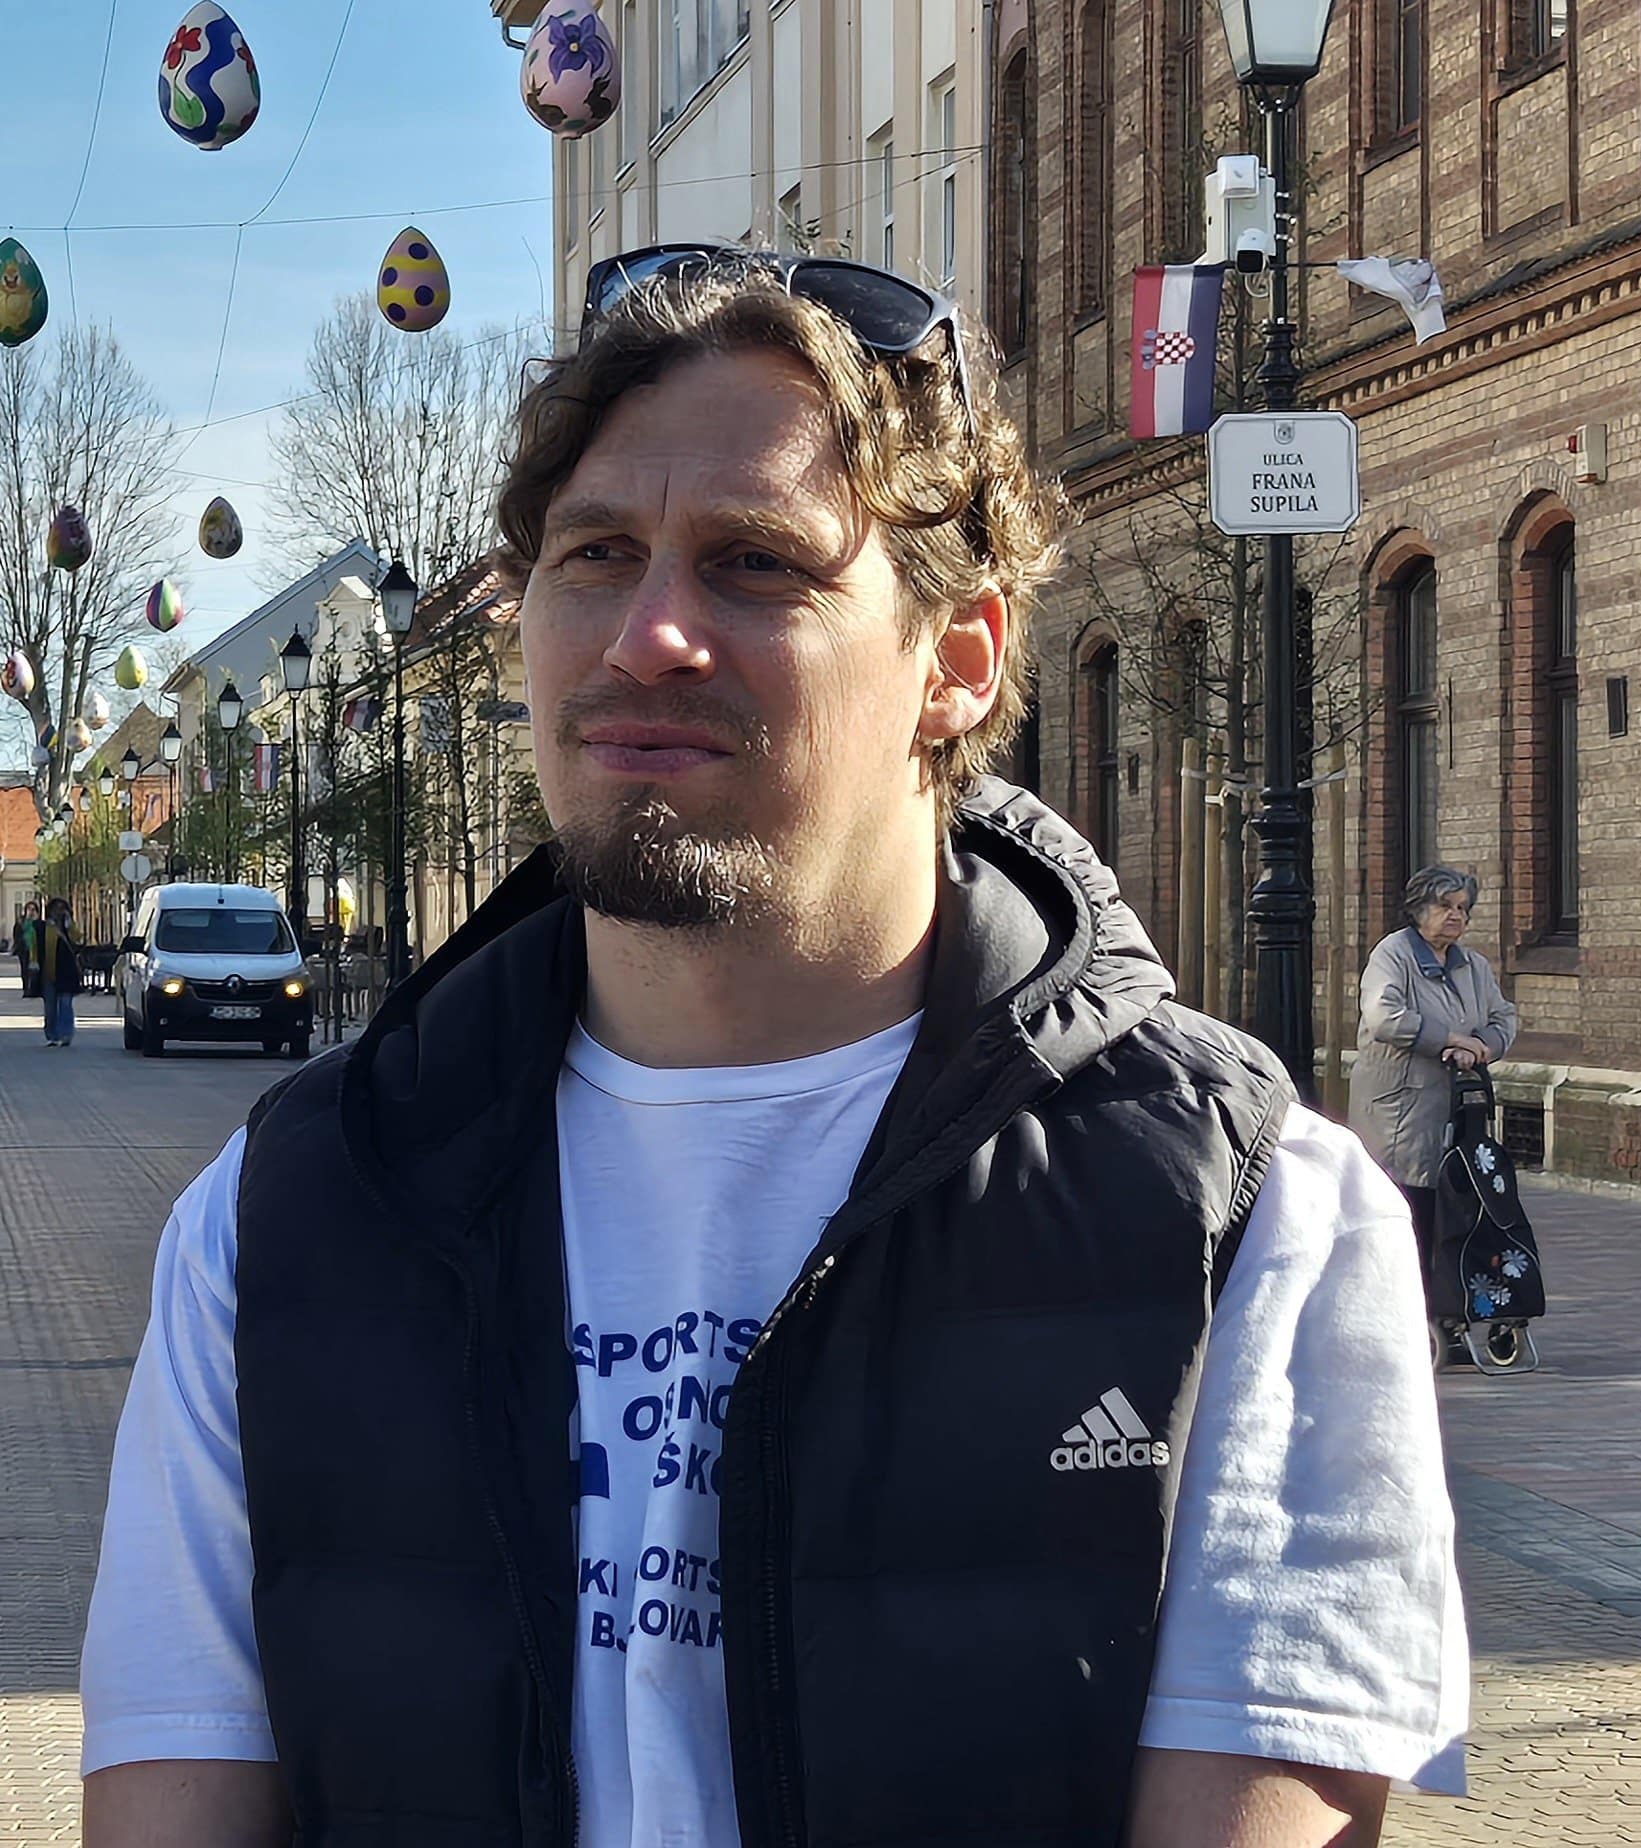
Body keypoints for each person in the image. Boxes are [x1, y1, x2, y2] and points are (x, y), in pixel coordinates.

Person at [81, 250, 1467, 1848]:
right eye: (594, 556)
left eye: (755, 563)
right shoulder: (288, 1220)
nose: (648, 634)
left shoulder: (1247, 1220)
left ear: (955, 663)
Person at [1348, 864, 1519, 1284]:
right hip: (1400, 1111)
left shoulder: (1473, 965)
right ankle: (1401, 1297)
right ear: (1418, 908)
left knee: (1454, 1204)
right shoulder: (1393, 955)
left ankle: (1444, 1297)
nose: (1456, 915)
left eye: (1462, 908)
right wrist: (1449, 1039)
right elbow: (1384, 1016)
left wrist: (1481, 1046)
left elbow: (1503, 1016)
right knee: (1407, 1207)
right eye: (1445, 906)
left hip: (1456, 1109)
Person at [39, 896, 80, 1048]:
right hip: (49, 971)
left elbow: (77, 939)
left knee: (65, 1004)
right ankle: (52, 1035)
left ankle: (66, 1034)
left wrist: (70, 924)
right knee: (50, 1006)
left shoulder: (68, 927)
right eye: (56, 909)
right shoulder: (45, 928)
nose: (59, 912)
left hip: (67, 972)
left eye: (62, 909)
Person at [12, 898, 42, 996]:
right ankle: (26, 988)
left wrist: (35, 921)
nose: (31, 911)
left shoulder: (38, 922)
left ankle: (35, 989)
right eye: (29, 909)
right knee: (25, 969)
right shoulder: (21, 922)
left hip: (35, 948)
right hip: (24, 948)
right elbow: (17, 933)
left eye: (33, 909)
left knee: (36, 969)